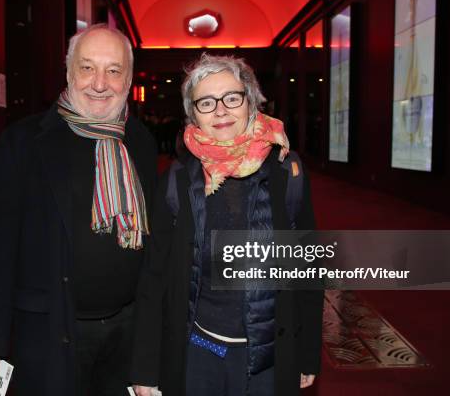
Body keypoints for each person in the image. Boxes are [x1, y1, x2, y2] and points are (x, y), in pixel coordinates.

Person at [0, 24, 157, 395]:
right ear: (68, 73)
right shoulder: (23, 142)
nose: (100, 83)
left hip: (125, 336)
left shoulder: (141, 142)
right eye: (87, 68)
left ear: (129, 79)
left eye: (114, 71)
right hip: (49, 333)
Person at [130, 54, 323, 396]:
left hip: (268, 356)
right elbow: (154, 277)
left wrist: (307, 354)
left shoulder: (286, 172)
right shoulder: (176, 180)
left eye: (232, 98)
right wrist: (146, 367)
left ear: (251, 101)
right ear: (193, 114)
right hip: (199, 354)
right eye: (206, 102)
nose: (220, 110)